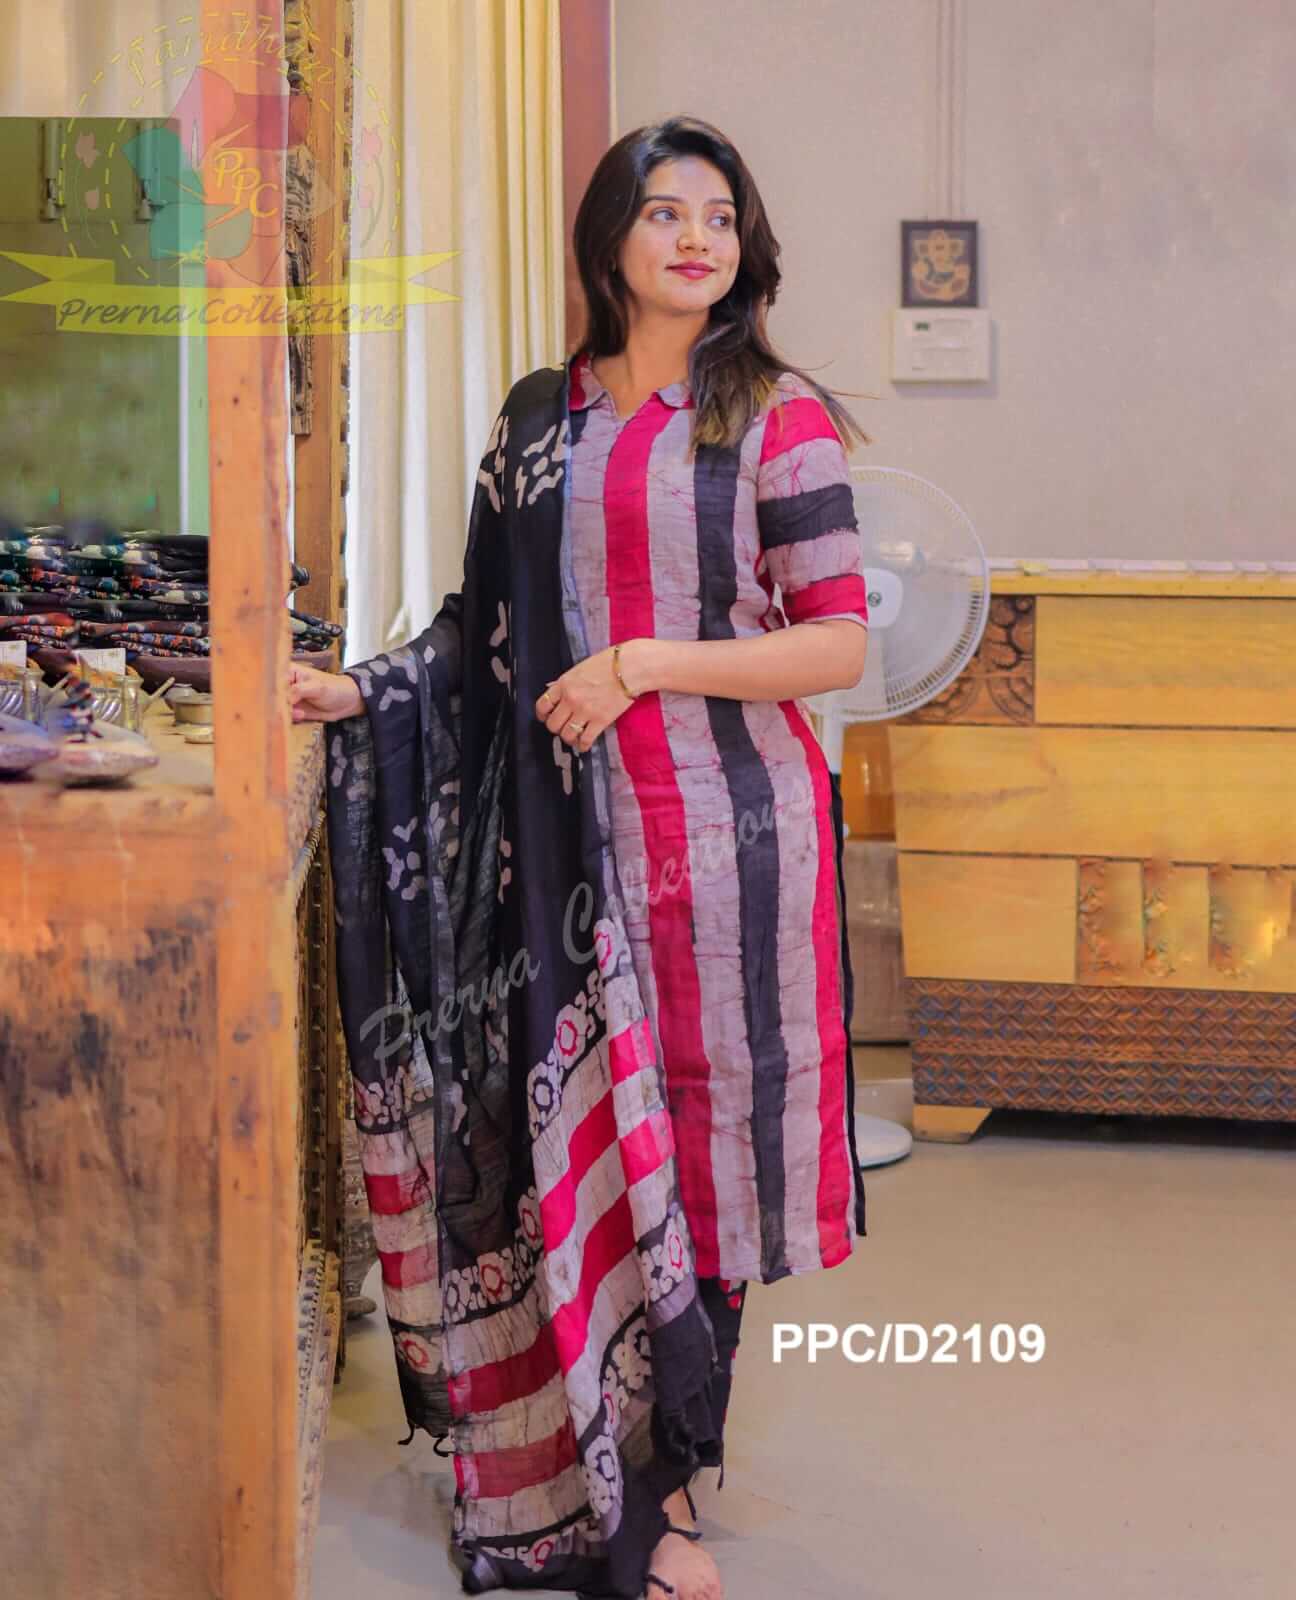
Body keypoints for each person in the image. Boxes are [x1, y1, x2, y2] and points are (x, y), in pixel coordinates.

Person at [292, 115, 872, 1600]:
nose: (696, 238)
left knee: (702, 1169)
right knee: (593, 1151)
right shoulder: (536, 419)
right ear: (609, 235)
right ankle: (588, 1466)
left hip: (734, 855)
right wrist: (361, 692)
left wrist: (642, 663)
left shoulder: (774, 420)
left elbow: (836, 643)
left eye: (720, 218)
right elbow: (478, 625)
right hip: (567, 856)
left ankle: (664, 1491)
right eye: (666, 211)